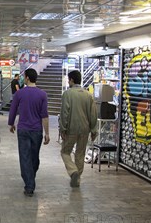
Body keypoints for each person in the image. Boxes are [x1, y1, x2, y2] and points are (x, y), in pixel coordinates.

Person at [8, 68, 50, 196]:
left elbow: (13, 109)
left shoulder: (20, 94)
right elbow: (45, 115)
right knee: (34, 157)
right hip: (37, 131)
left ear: (26, 78)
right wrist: (47, 133)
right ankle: (30, 184)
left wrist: (11, 123)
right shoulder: (42, 94)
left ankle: (29, 180)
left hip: (23, 130)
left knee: (25, 157)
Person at [59, 70, 98, 188]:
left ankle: (73, 171)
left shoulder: (67, 94)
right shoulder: (88, 95)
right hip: (85, 130)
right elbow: (93, 114)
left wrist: (63, 129)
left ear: (71, 80)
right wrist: (94, 130)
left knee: (65, 152)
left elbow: (65, 113)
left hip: (71, 129)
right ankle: (78, 179)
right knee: (80, 154)